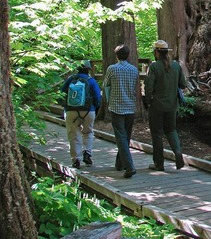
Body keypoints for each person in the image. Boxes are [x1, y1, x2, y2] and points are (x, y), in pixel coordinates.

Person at [144, 40, 187, 171]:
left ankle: (159, 164)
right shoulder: (176, 66)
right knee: (171, 130)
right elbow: (183, 85)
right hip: (172, 105)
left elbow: (148, 87)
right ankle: (178, 153)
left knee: (157, 134)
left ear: (156, 52)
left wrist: (147, 101)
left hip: (157, 106)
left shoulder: (154, 67)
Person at [102, 44, 139, 178]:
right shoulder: (134, 69)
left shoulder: (112, 69)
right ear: (128, 55)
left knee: (121, 137)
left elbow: (105, 85)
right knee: (126, 137)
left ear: (116, 55)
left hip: (117, 107)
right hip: (130, 106)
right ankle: (119, 164)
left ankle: (129, 166)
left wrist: (108, 100)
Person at [61, 60, 101, 169]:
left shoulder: (70, 80)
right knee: (88, 132)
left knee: (73, 135)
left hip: (70, 111)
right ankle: (87, 153)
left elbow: (61, 94)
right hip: (88, 111)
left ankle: (76, 160)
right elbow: (98, 97)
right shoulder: (91, 81)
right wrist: (94, 107)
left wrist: (65, 107)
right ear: (88, 69)